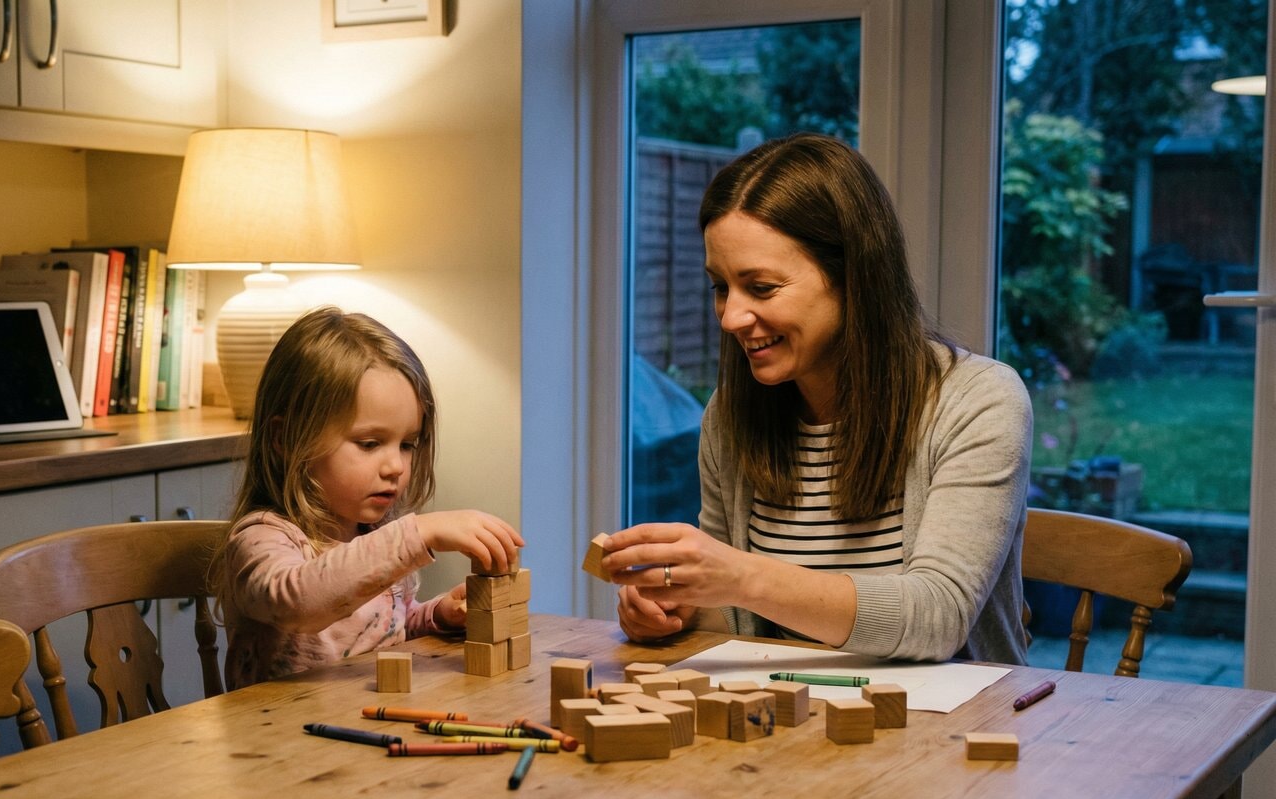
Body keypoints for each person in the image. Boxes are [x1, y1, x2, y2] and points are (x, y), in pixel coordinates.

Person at [603, 133, 1031, 665]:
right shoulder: (731, 414)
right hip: (787, 721)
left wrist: (738, 575)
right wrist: (677, 611)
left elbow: (938, 617)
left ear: (854, 277)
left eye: (760, 288)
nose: (731, 317)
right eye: (720, 287)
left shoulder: (978, 401)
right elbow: (734, 622)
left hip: (944, 735)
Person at [212, 306, 523, 688]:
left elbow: (386, 627)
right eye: (370, 443)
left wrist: (437, 615)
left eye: (407, 444)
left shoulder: (373, 532)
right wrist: (417, 533)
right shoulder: (261, 537)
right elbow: (297, 604)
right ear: (286, 439)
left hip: (367, 723)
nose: (395, 466)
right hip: (278, 739)